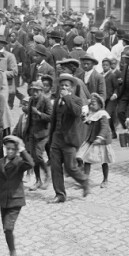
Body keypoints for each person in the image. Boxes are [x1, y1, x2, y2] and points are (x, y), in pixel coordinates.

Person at [0, 134, 34, 256]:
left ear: (16, 150)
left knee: (8, 228)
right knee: (7, 230)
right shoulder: (1, 162)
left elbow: (31, 164)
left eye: (13, 149)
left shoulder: (20, 162)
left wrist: (22, 149)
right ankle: (10, 255)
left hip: (15, 200)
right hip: (3, 201)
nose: (9, 152)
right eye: (7, 149)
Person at [48, 74, 92, 202]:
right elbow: (54, 120)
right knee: (55, 168)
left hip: (70, 140)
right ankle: (60, 194)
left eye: (66, 85)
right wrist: (51, 138)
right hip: (57, 138)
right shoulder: (57, 101)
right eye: (61, 85)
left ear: (72, 88)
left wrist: (67, 97)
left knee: (70, 167)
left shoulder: (77, 100)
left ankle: (84, 181)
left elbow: (77, 112)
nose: (63, 88)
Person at [78, 92, 113, 188]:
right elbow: (90, 123)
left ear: (100, 105)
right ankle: (86, 180)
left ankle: (105, 179)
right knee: (87, 159)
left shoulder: (103, 114)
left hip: (102, 141)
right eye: (91, 104)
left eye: (93, 104)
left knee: (104, 160)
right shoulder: (93, 114)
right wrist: (84, 118)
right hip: (92, 140)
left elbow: (104, 128)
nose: (91, 106)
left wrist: (100, 137)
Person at [21, 80, 51, 191]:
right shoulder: (31, 100)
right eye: (33, 90)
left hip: (43, 134)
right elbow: (29, 116)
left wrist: (38, 113)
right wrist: (26, 131)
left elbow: (50, 117)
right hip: (32, 132)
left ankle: (47, 176)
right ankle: (38, 180)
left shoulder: (46, 101)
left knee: (38, 156)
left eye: (37, 91)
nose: (34, 93)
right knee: (33, 158)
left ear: (41, 91)